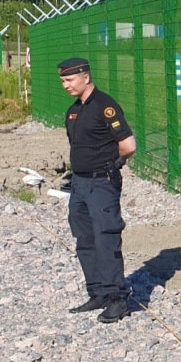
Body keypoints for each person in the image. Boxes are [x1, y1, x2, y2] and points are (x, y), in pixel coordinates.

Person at [59, 58, 137, 323]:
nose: (65, 85)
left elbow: (128, 145)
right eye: (62, 80)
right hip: (79, 183)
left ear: (85, 77)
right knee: (84, 238)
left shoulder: (105, 106)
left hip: (101, 182)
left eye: (69, 80)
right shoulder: (73, 110)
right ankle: (98, 292)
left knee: (106, 238)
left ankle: (117, 298)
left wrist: (110, 165)